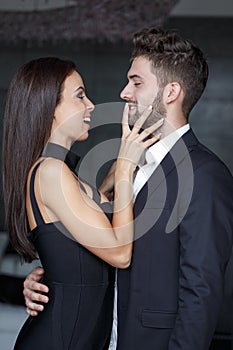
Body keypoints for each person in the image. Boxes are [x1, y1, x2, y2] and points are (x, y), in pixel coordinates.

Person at [23, 27, 233, 350]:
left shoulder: (205, 174)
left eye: (136, 82)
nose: (124, 93)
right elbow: (91, 245)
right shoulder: (129, 167)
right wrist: (51, 274)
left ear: (171, 92)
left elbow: (200, 296)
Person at [2, 56, 162, 350]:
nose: (91, 105)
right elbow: (119, 253)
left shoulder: (66, 175)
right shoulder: (49, 172)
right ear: (49, 108)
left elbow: (96, 218)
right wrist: (125, 168)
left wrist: (126, 160)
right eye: (80, 96)